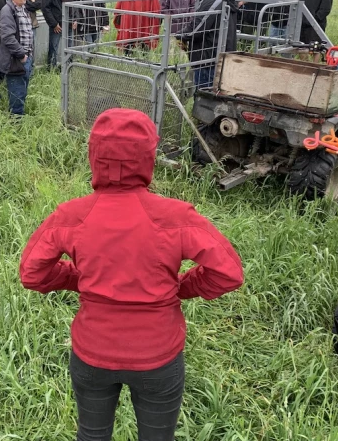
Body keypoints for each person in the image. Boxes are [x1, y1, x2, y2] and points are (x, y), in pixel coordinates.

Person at [20, 107, 243, 441]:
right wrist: (180, 288)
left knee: (92, 436)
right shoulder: (175, 216)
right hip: (157, 357)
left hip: (92, 354)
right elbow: (228, 273)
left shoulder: (71, 215)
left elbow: (32, 274)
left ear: (94, 156)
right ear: (147, 158)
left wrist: (77, 278)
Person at [179, 0, 239, 87]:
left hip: (207, 61)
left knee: (203, 97)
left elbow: (197, 28)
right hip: (218, 57)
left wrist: (180, 36)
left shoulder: (213, 0)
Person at [0, 0, 35, 116]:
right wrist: (22, 55)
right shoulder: (7, 11)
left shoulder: (22, 9)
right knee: (17, 97)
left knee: (22, 93)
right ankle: (16, 126)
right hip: (15, 61)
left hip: (24, 58)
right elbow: (8, 38)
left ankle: (18, 123)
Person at [42, 0, 76, 69]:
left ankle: (68, 69)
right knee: (54, 49)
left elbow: (75, 3)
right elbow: (45, 6)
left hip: (70, 23)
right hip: (57, 25)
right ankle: (51, 70)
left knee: (70, 48)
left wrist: (75, 19)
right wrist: (54, 24)